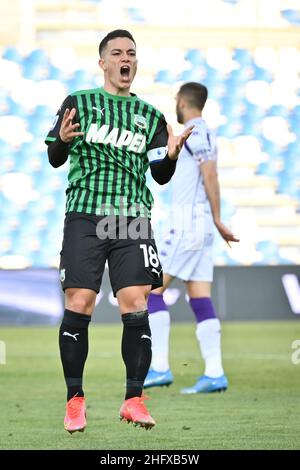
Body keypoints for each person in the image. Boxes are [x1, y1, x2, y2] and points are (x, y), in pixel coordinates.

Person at [45, 30, 193, 433]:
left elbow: (160, 175)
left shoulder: (150, 115)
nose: (125, 59)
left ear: (135, 63)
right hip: (86, 214)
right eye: (117, 53)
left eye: (131, 53)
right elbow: (55, 157)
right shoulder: (79, 102)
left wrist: (173, 156)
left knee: (135, 300)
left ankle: (134, 399)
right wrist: (60, 141)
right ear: (103, 62)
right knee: (80, 301)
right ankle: (75, 400)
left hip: (131, 217)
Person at [144, 82, 239, 394]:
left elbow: (210, 174)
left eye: (175, 100)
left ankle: (158, 367)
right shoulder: (204, 132)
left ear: (183, 102)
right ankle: (214, 373)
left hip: (188, 222)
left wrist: (216, 217)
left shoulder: (195, 132)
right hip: (200, 224)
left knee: (151, 291)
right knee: (199, 297)